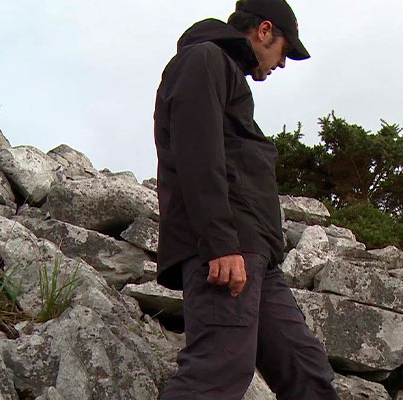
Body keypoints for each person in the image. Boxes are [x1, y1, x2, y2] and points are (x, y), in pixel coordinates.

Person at [153, 0, 340, 398]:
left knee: (307, 373)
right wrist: (220, 243)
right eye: (285, 50)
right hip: (226, 249)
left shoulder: (224, 72)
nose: (283, 63)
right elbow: (198, 155)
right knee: (218, 371)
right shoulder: (204, 59)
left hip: (256, 256)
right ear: (265, 30)